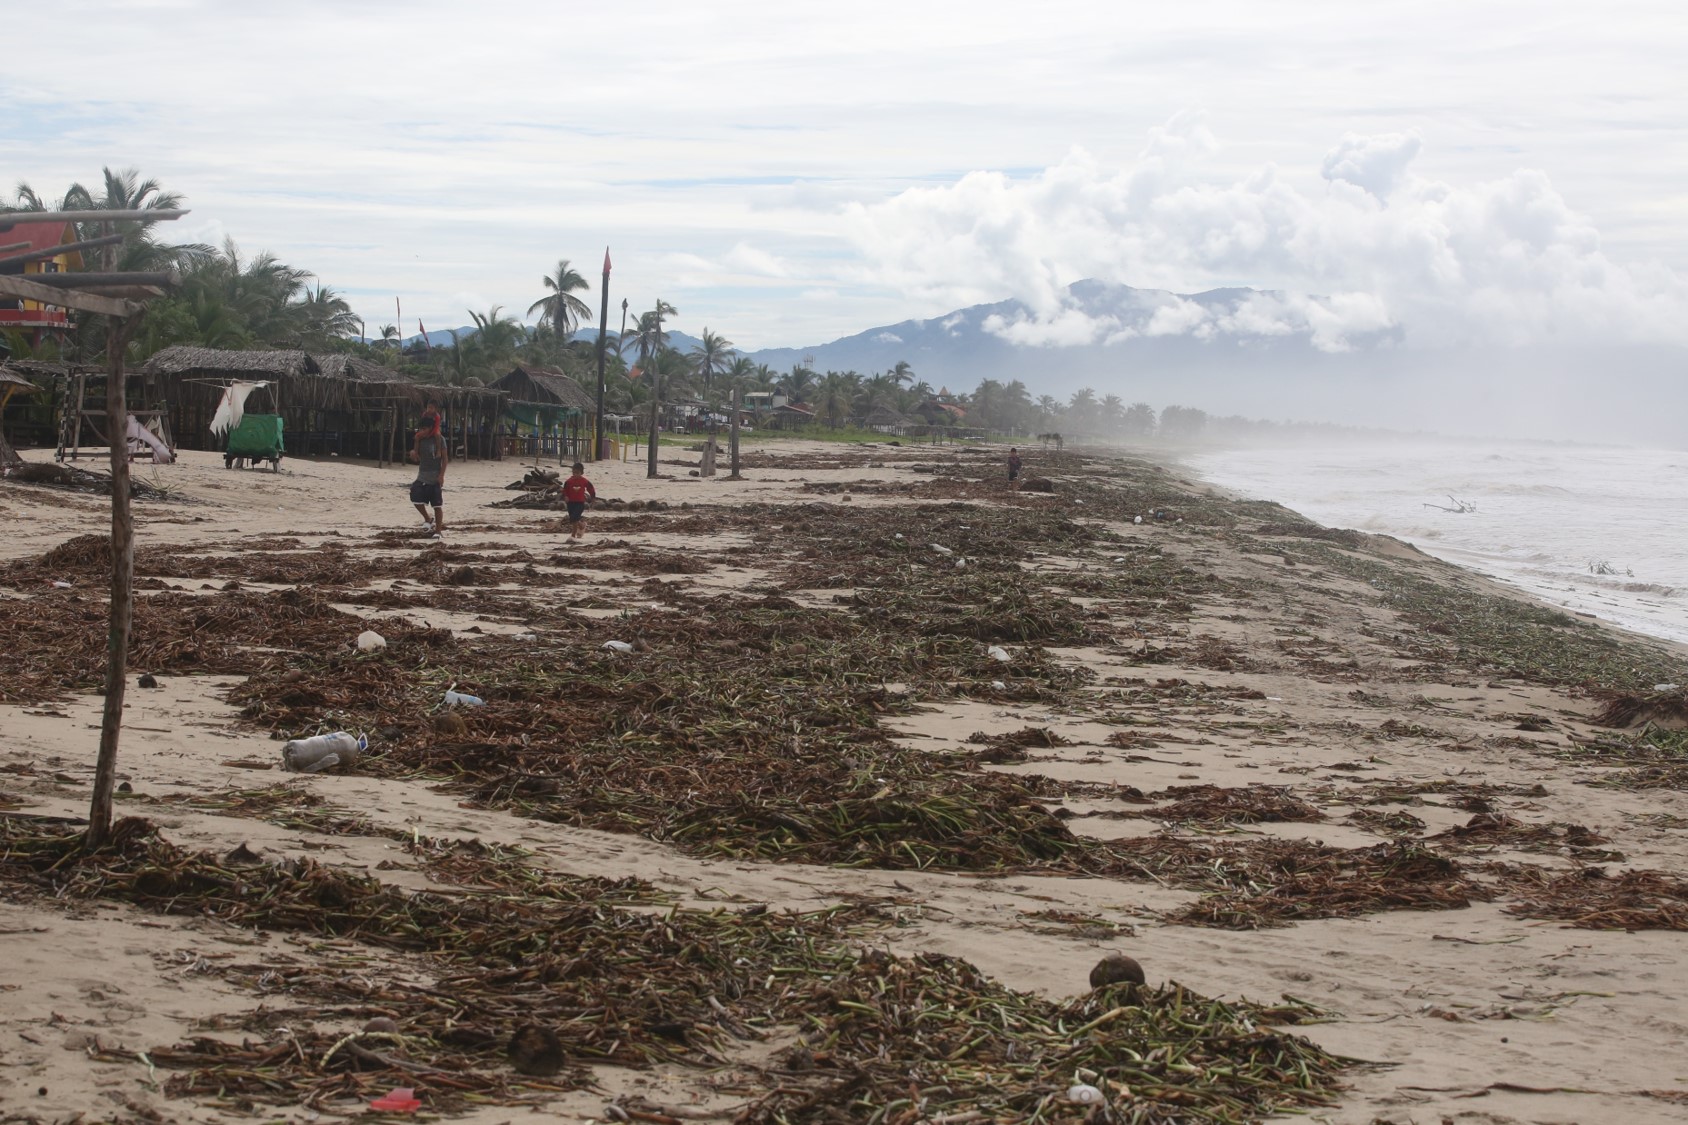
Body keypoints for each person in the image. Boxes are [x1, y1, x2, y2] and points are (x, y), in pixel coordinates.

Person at [410, 420, 448, 536]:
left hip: (435, 475)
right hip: (422, 475)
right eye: (421, 429)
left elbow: (445, 459)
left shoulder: (439, 439)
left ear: (431, 428)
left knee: (437, 505)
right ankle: (428, 518)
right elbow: (416, 459)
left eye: (424, 429)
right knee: (415, 497)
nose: (422, 432)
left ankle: (438, 531)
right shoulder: (420, 439)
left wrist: (441, 475)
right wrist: (412, 455)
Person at [561, 461, 595, 540]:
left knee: (574, 518)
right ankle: (582, 525)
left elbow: (590, 488)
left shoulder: (584, 481)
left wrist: (593, 498)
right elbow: (565, 489)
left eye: (577, 473)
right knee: (572, 519)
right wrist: (565, 496)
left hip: (580, 503)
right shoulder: (569, 481)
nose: (575, 475)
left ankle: (573, 535)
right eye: (574, 473)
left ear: (581, 473)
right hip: (570, 503)